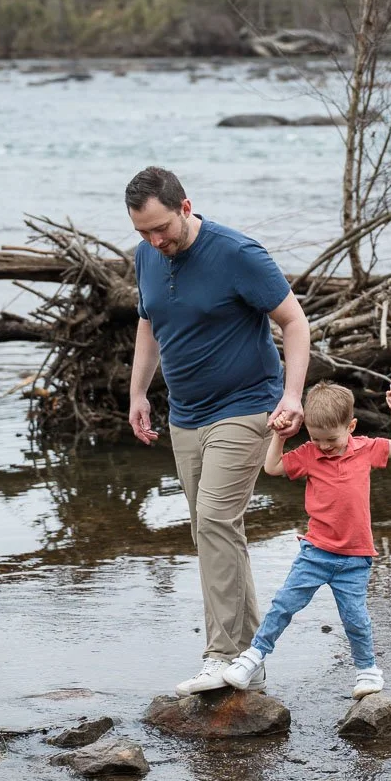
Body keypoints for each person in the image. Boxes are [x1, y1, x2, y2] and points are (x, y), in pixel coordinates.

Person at [126, 166, 310, 695]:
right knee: (214, 532)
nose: (155, 241)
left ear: (186, 207)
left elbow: (294, 323)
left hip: (247, 405)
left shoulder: (237, 253)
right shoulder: (146, 256)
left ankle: (223, 654)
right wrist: (139, 392)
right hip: (185, 414)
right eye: (143, 232)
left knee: (214, 520)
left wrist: (291, 395)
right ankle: (249, 658)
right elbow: (149, 323)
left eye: (162, 228)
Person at [222, 380, 391, 699]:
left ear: (351, 426)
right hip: (316, 553)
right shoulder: (309, 454)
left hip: (355, 557)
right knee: (283, 605)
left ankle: (367, 670)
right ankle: (252, 658)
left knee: (355, 618)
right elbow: (273, 467)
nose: (323, 446)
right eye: (316, 438)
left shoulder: (365, 449)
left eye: (331, 439)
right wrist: (280, 437)